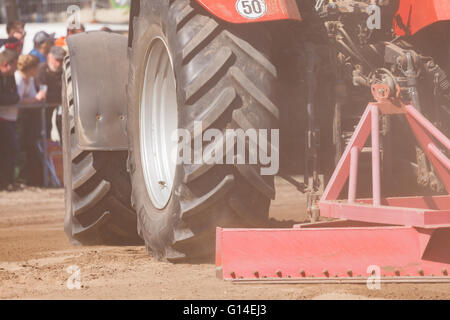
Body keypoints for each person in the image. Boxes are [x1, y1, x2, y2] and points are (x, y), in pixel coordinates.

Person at [16, 55, 47, 187]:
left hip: (25, 119)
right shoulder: (18, 79)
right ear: (31, 68)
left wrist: (38, 97)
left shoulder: (30, 79)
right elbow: (18, 100)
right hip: (16, 120)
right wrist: (36, 99)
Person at [36, 46, 66, 140]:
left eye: (61, 60)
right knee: (45, 128)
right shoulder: (41, 70)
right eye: (57, 60)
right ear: (49, 57)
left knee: (62, 126)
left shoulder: (64, 71)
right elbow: (42, 92)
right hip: (44, 107)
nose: (59, 63)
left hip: (60, 107)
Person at [0, 49, 20, 190]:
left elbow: (15, 96)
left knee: (10, 149)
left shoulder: (10, 76)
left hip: (6, 120)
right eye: (15, 65)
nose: (17, 68)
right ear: (6, 64)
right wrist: (10, 98)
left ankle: (7, 181)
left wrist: (9, 98)